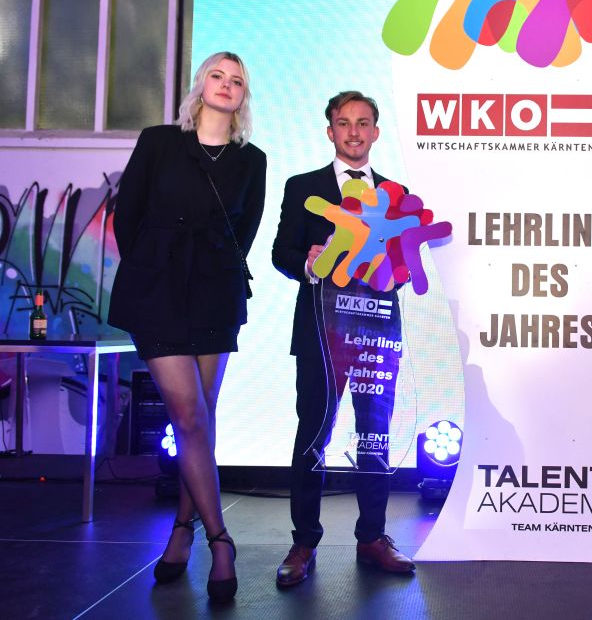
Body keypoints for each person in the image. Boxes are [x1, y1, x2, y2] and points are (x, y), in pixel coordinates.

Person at [109, 51, 266, 602]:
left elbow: (246, 231)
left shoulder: (252, 160)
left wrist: (209, 269)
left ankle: (182, 529)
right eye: (217, 76)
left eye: (236, 80)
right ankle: (220, 539)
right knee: (189, 415)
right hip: (157, 291)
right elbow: (126, 217)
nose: (226, 85)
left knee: (202, 415)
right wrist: (154, 268)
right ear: (200, 85)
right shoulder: (159, 142)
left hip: (214, 293)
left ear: (243, 96)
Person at [271, 90, 415, 586]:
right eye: (344, 122)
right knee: (313, 432)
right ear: (330, 131)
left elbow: (403, 264)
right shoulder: (302, 187)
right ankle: (304, 541)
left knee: (374, 434)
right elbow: (282, 252)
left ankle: (372, 537)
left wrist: (390, 269)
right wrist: (310, 262)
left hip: (376, 333)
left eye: (363, 122)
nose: (354, 131)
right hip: (319, 333)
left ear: (376, 131)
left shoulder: (396, 192)